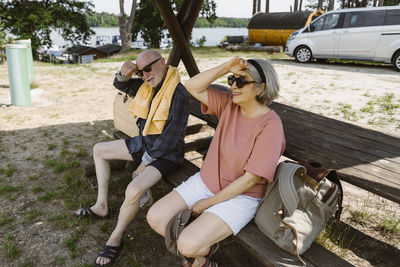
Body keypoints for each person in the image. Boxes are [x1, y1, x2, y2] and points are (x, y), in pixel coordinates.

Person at [147, 57, 285, 267]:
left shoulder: (271, 125)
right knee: (155, 218)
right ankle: (202, 250)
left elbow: (250, 180)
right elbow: (191, 85)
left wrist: (208, 204)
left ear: (260, 88)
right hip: (206, 181)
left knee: (187, 244)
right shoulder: (228, 104)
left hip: (241, 196)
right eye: (232, 79)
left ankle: (199, 253)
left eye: (241, 81)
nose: (233, 86)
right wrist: (226, 67)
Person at [74, 50, 189, 266]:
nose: (145, 75)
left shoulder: (178, 94)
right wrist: (125, 73)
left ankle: (115, 238)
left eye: (148, 69)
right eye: (141, 71)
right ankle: (101, 206)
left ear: (162, 63)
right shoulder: (147, 86)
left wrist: (142, 165)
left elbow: (169, 141)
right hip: (145, 143)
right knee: (99, 149)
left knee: (134, 188)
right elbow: (121, 85)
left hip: (167, 155)